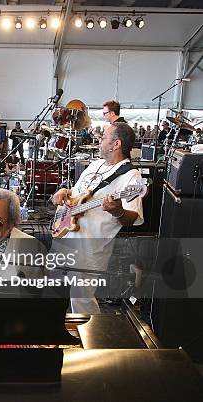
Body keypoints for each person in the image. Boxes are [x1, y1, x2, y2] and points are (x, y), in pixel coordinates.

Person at [52, 122, 144, 313]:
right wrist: (64, 191)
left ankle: (92, 340)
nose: (99, 141)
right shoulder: (96, 164)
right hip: (67, 233)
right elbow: (78, 193)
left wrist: (116, 210)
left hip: (91, 247)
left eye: (104, 138)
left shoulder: (131, 177)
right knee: (53, 286)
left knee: (82, 299)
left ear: (116, 144)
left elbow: (132, 217)